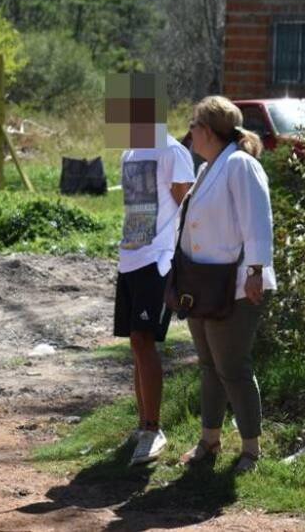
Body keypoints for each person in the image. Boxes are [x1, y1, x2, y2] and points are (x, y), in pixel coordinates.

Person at [176, 96, 275, 475]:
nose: (190, 132)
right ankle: (209, 440)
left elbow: (258, 220)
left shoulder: (240, 164)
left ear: (209, 130)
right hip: (201, 283)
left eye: (194, 124)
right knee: (208, 366)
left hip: (234, 284)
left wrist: (255, 271)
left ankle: (250, 449)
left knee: (232, 367)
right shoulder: (208, 168)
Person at [116, 126, 195, 466]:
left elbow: (188, 208)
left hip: (157, 260)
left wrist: (181, 262)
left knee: (143, 339)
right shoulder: (130, 151)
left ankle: (153, 429)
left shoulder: (172, 151)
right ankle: (141, 425)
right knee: (136, 344)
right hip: (130, 257)